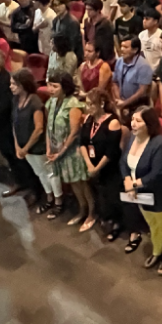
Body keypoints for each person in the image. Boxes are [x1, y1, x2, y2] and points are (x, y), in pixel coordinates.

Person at [0, 47, 41, 200]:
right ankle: (19, 182)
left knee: (20, 159)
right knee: (9, 158)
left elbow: (5, 105)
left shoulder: (7, 79)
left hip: (8, 126)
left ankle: (34, 189)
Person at [120, 105, 162, 275]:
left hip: (158, 193)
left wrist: (134, 184)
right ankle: (157, 251)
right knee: (152, 224)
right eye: (133, 120)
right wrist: (127, 180)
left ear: (149, 124)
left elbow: (157, 173)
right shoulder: (132, 137)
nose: (133, 124)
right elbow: (123, 161)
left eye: (138, 121)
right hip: (139, 194)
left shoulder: (159, 144)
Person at [45, 70, 96, 228]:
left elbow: (74, 133)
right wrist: (49, 148)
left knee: (82, 183)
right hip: (58, 150)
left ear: (64, 87)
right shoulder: (52, 102)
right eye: (49, 85)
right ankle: (82, 210)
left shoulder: (73, 104)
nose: (50, 89)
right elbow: (49, 126)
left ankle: (92, 213)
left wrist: (61, 151)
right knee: (73, 184)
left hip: (73, 151)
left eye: (55, 86)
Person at [10, 69, 63, 216]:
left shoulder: (35, 102)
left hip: (37, 146)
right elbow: (14, 123)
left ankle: (58, 201)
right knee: (40, 173)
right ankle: (49, 197)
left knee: (50, 173)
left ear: (23, 85)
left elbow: (39, 128)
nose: (11, 87)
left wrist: (25, 148)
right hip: (24, 147)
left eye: (14, 84)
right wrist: (17, 146)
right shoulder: (15, 100)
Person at [79, 88, 124, 237]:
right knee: (99, 194)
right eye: (87, 104)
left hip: (109, 167)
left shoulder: (112, 122)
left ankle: (116, 223)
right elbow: (83, 143)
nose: (88, 108)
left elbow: (111, 152)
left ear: (102, 104)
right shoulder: (88, 120)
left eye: (91, 104)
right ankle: (104, 217)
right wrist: (89, 165)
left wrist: (97, 167)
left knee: (112, 196)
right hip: (93, 165)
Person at [112, 37, 153, 119]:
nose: (122, 49)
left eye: (126, 47)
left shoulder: (143, 66)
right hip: (121, 102)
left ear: (135, 50)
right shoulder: (119, 61)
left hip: (137, 105)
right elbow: (115, 82)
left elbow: (142, 91)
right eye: (121, 46)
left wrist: (125, 103)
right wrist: (119, 100)